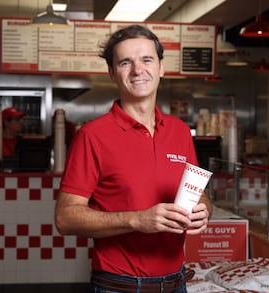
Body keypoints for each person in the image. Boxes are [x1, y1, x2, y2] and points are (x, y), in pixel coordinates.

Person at [54, 25, 212, 292]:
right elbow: (65, 218)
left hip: (177, 283)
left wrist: (203, 210)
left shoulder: (180, 131)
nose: (138, 70)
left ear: (161, 67)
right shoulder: (92, 136)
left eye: (147, 60)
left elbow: (199, 193)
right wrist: (136, 220)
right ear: (112, 73)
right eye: (126, 62)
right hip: (119, 286)